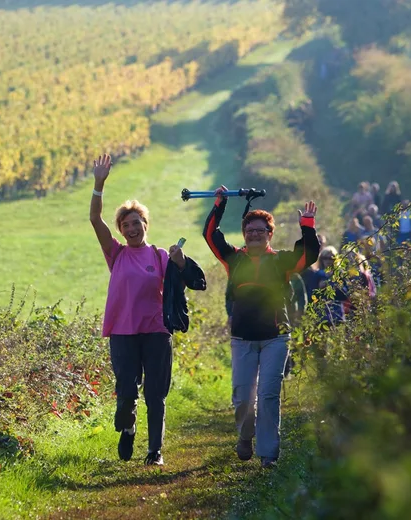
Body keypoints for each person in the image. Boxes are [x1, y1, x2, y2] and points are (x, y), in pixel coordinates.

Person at [90, 153, 199, 467]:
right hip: (123, 333)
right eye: (126, 225)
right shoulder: (116, 254)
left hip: (155, 331)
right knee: (126, 393)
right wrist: (99, 183)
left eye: (136, 222)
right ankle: (128, 424)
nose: (131, 228)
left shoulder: (159, 254)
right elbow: (95, 220)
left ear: (145, 225)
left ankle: (155, 452)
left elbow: (184, 281)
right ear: (122, 231)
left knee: (155, 394)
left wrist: (180, 261)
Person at [203, 185, 320, 469]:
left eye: (261, 230)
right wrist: (219, 204)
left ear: (270, 234)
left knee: (268, 395)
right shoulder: (234, 259)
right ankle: (245, 435)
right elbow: (210, 235)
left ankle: (268, 454)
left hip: (275, 338)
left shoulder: (281, 261)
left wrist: (307, 225)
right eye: (250, 230)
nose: (255, 234)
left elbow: (310, 254)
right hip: (242, 338)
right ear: (244, 234)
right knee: (243, 398)